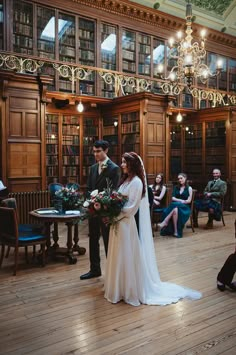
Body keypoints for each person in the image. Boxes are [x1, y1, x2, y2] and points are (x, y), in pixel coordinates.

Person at [104, 152, 201, 306]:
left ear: (132, 164)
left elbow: (131, 208)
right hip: (117, 223)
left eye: (124, 162)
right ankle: (118, 287)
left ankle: (129, 289)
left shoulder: (137, 182)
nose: (121, 164)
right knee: (118, 255)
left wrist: (114, 214)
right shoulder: (124, 181)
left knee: (126, 255)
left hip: (125, 224)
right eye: (122, 162)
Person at [80, 140, 121, 280]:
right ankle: (94, 269)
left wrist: (101, 203)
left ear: (106, 151)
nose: (96, 154)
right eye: (94, 151)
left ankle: (111, 272)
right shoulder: (92, 168)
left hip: (105, 212)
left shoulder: (114, 168)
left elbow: (114, 192)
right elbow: (89, 188)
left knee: (108, 241)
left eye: (98, 151)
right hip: (93, 210)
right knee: (93, 240)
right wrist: (89, 203)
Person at [158, 173, 192, 238]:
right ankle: (176, 231)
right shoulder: (176, 187)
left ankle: (165, 221)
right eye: (178, 178)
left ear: (185, 178)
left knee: (175, 205)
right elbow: (172, 198)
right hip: (177, 206)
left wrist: (180, 201)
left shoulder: (189, 188)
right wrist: (181, 201)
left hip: (185, 208)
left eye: (181, 178)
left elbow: (189, 201)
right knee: (175, 209)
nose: (179, 180)